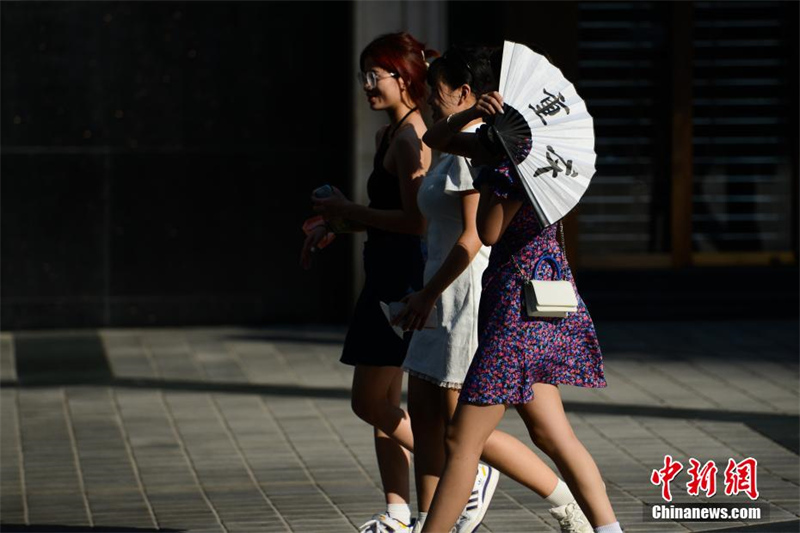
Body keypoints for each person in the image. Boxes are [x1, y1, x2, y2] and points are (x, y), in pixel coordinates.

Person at [394, 46, 594, 533]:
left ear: (466, 92)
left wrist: (427, 294)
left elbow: (480, 234)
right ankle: (602, 526)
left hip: (483, 302)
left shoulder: (497, 158)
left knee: (464, 433)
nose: (426, 101)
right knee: (444, 420)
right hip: (471, 298)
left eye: (433, 92)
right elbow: (440, 139)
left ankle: (565, 505)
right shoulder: (476, 146)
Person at [301, 31, 432, 532]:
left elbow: (417, 222)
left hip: (402, 279)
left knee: (369, 402)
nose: (366, 86)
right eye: (363, 77)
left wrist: (351, 211)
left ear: (403, 78)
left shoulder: (410, 137)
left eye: (373, 76)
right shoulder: (388, 135)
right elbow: (385, 215)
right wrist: (336, 221)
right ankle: (400, 512)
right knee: (386, 408)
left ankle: (471, 469)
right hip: (383, 270)